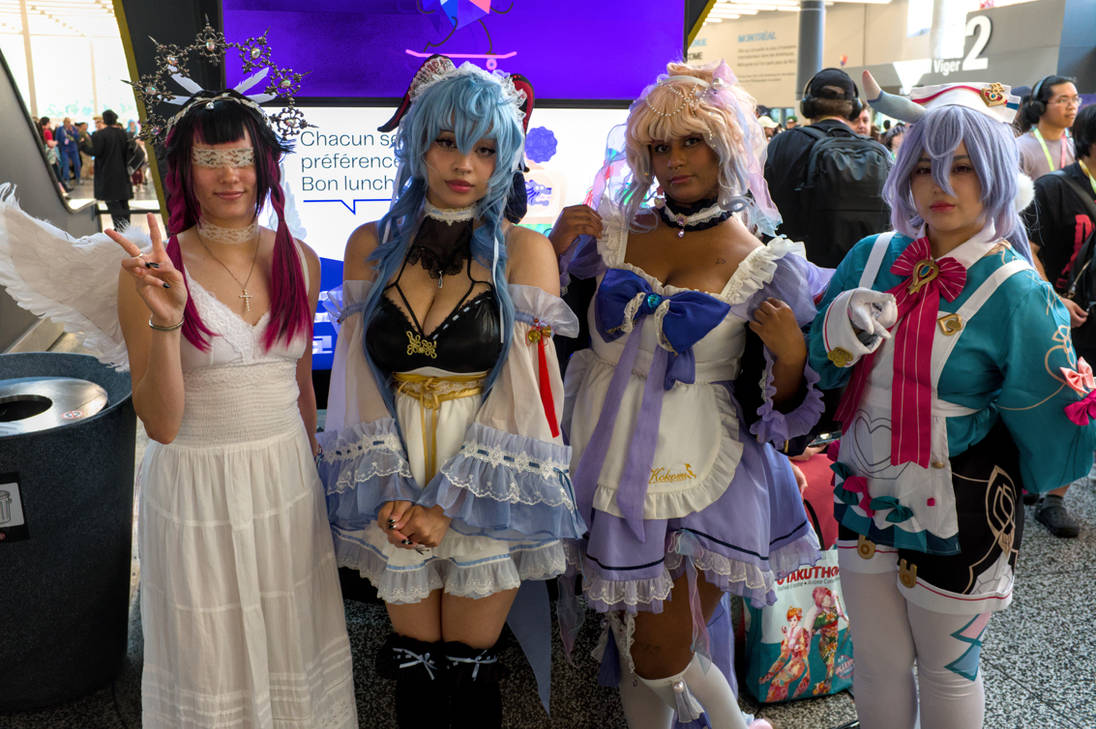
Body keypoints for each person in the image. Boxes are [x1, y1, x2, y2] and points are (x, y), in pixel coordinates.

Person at [809, 88, 1096, 729]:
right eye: (924, 168)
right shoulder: (871, 257)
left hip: (964, 498)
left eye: (962, 167)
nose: (940, 184)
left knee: (948, 671)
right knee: (875, 664)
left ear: (995, 175)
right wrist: (835, 332)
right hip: (864, 485)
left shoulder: (1019, 290)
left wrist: (1038, 472)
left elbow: (1047, 417)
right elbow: (820, 367)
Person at [552, 60, 822, 729]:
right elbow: (543, 326)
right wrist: (554, 250)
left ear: (726, 144)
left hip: (707, 467)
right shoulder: (608, 234)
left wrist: (791, 354)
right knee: (629, 642)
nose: (674, 160)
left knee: (661, 651)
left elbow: (783, 412)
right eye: (660, 145)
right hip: (604, 451)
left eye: (692, 141)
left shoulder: (769, 263)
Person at [317, 56, 582, 729]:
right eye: (447, 142)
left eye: (485, 149)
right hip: (393, 461)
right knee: (415, 668)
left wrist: (446, 503)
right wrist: (390, 489)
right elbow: (356, 376)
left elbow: (529, 398)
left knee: (470, 668)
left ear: (506, 156)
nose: (464, 164)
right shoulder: (370, 244)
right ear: (419, 144)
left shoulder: (526, 252)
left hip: (487, 472)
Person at [1021, 102, 1096, 537]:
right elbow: (1026, 248)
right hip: (1063, 317)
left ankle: (1051, 487)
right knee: (1065, 402)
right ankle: (1049, 492)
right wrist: (1053, 296)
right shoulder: (1053, 187)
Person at [764, 68, 891, 267]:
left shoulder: (783, 144)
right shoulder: (879, 152)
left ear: (807, 106)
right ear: (854, 108)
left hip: (797, 271)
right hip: (861, 272)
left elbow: (762, 208)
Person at [1016, 75, 1080, 179]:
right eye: (1063, 100)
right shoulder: (1020, 148)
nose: (1072, 106)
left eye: (1075, 99)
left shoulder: (1076, 148)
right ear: (1039, 106)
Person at [93, 110, 133, 229]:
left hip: (107, 174)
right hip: (122, 174)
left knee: (112, 203)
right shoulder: (124, 134)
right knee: (124, 203)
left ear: (104, 120)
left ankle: (119, 229)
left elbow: (96, 152)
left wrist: (82, 146)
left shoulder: (100, 135)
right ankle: (127, 229)